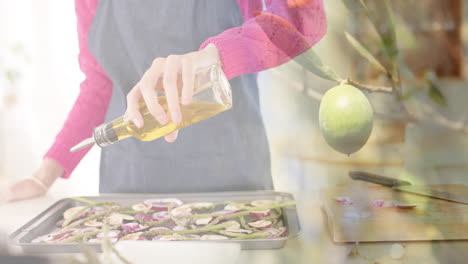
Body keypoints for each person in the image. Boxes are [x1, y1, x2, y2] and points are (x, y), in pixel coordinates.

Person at [0, 0, 326, 203]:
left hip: (232, 179)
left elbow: (301, 21)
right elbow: (100, 83)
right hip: (128, 187)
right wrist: (44, 174)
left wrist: (215, 57)